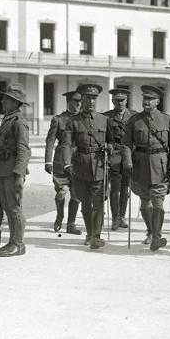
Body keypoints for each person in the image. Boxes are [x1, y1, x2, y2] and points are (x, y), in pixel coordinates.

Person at [121, 85, 170, 251]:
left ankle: (157, 237)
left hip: (160, 165)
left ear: (157, 102)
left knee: (158, 203)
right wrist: (128, 162)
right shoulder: (134, 120)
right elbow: (125, 144)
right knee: (145, 203)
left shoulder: (167, 120)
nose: (146, 102)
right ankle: (151, 231)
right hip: (140, 166)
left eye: (150, 99)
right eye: (144, 98)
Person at [61, 84, 113, 249]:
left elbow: (112, 142)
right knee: (85, 203)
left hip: (99, 165)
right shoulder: (72, 121)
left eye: (94, 98)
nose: (91, 101)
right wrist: (67, 163)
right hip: (80, 166)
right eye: (88, 98)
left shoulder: (104, 120)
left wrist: (109, 147)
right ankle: (90, 233)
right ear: (81, 99)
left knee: (98, 203)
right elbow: (66, 144)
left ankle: (96, 237)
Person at [0, 84, 31, 257]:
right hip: (2, 168)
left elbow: (24, 150)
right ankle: (12, 240)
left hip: (12, 170)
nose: (3, 101)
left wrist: (19, 174)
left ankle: (19, 244)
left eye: (7, 99)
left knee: (14, 208)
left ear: (15, 103)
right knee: (7, 207)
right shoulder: (7, 119)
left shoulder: (19, 122)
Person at [44, 90, 82, 235]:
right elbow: (50, 141)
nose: (79, 105)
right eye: (75, 102)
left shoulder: (82, 119)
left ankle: (71, 224)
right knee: (62, 192)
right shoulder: (58, 119)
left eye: (80, 102)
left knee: (76, 194)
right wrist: (48, 160)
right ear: (69, 102)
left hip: (78, 160)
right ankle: (59, 215)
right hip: (61, 160)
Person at [103, 88, 137, 231]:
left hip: (129, 154)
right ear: (112, 101)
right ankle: (115, 218)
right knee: (115, 188)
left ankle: (122, 216)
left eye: (122, 100)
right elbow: (103, 136)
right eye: (117, 100)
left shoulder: (135, 116)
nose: (120, 103)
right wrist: (106, 144)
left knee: (125, 187)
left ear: (126, 101)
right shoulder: (106, 117)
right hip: (115, 154)